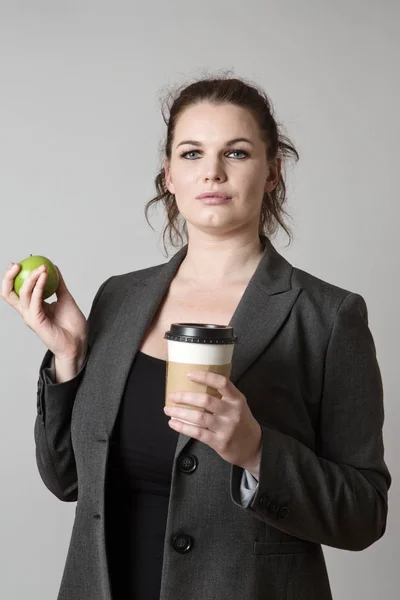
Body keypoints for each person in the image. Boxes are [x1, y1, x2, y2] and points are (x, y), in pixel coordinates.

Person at [1, 74, 391, 600]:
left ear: (273, 172)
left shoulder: (327, 316)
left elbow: (364, 514)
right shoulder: (119, 299)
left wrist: (256, 451)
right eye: (191, 154)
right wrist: (68, 355)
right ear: (168, 175)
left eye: (236, 152)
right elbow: (68, 481)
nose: (211, 171)